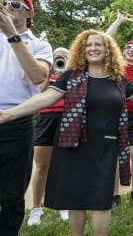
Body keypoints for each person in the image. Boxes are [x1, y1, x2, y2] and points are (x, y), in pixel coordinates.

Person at [0, 29, 133, 236]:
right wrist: (9, 114)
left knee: (102, 201)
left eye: (98, 44)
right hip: (74, 145)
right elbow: (46, 98)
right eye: (88, 45)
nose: (93, 48)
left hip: (106, 147)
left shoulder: (117, 79)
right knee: (76, 199)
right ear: (82, 49)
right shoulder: (71, 76)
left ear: (107, 50)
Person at [0, 0, 52, 236]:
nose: (7, 6)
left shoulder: (40, 44)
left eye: (14, 4)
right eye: (3, 3)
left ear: (28, 13)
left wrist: (12, 34)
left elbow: (39, 76)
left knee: (11, 195)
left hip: (16, 122)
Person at [106, 13, 133, 207]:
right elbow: (105, 39)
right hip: (116, 115)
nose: (131, 50)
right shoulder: (116, 65)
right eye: (128, 48)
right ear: (123, 51)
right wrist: (119, 21)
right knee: (115, 156)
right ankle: (115, 195)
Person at [27, 47, 70, 226]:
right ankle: (36, 208)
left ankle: (62, 203)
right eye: (57, 58)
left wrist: (66, 73)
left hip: (66, 119)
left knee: (64, 166)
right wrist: (49, 74)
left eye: (64, 58)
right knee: (41, 166)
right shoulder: (46, 73)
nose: (60, 60)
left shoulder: (72, 74)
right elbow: (39, 94)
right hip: (45, 120)